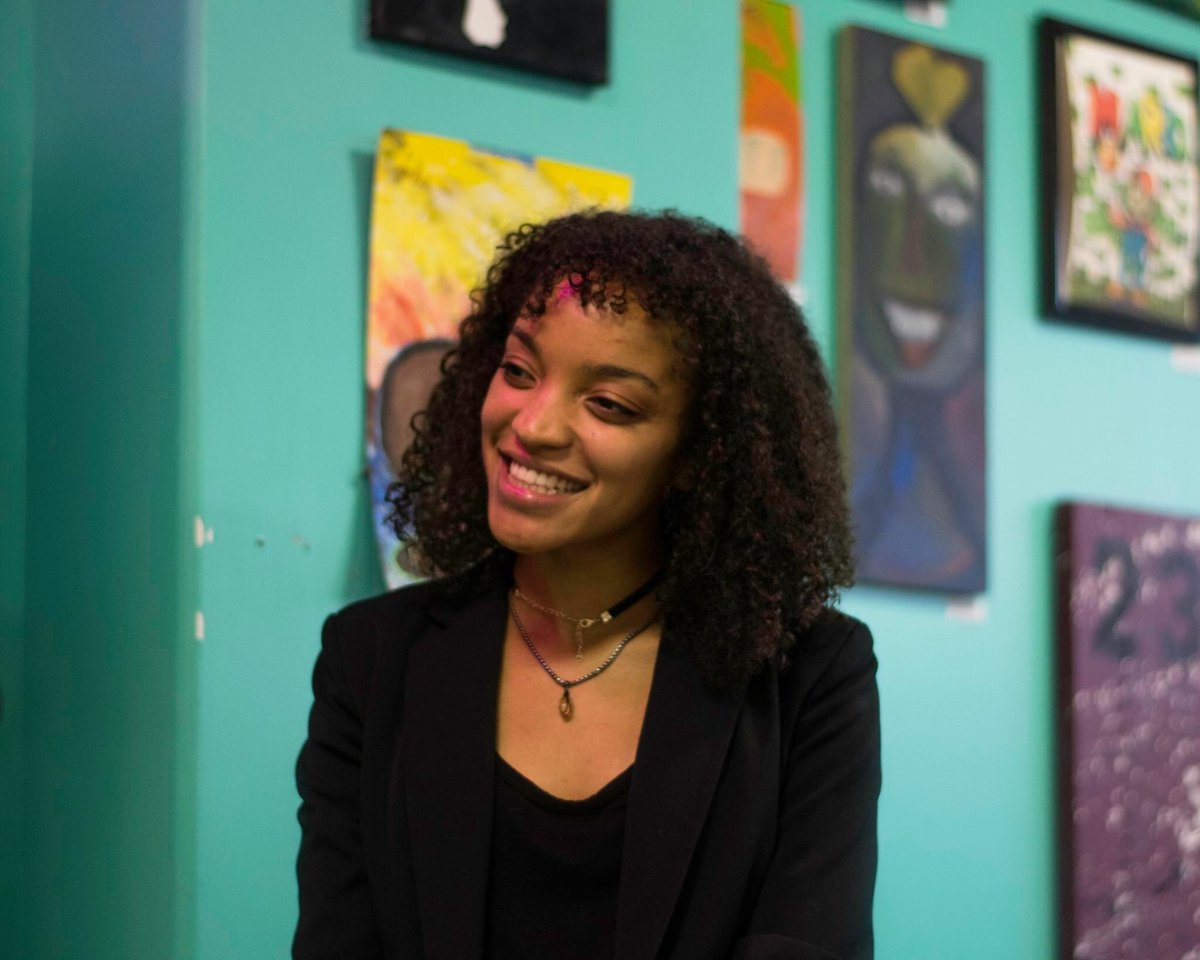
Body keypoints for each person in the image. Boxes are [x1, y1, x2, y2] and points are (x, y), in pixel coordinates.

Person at [293, 210, 881, 960]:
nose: (533, 425)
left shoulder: (809, 677)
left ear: (701, 454)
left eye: (608, 404)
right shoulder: (371, 660)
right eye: (518, 370)